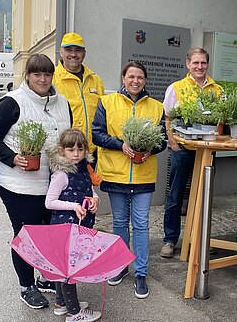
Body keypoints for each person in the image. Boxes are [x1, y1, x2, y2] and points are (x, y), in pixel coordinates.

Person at [0, 53, 72, 309]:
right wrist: (13, 158)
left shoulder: (62, 103)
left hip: (52, 182)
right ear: (28, 76)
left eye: (47, 74)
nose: (43, 79)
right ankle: (26, 285)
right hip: (18, 184)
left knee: (49, 233)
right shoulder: (12, 102)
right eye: (37, 74)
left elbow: (66, 140)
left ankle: (45, 277)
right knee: (26, 235)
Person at [92, 61, 167, 298]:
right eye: (131, 76)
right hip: (116, 173)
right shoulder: (107, 102)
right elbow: (96, 134)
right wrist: (120, 144)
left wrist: (149, 150)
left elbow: (163, 140)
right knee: (120, 223)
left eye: (140, 77)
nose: (136, 81)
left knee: (142, 224)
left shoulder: (156, 107)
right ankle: (121, 266)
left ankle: (141, 273)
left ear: (145, 81)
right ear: (123, 78)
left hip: (143, 175)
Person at [160, 47, 222, 259]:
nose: (199, 67)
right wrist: (173, 143)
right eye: (195, 63)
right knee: (175, 196)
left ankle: (200, 239)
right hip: (183, 150)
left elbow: (221, 121)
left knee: (204, 197)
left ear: (207, 64)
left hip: (207, 151)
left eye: (203, 63)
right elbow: (167, 118)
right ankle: (170, 240)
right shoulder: (176, 88)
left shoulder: (217, 90)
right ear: (188, 64)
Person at [45, 128, 102, 322]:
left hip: (80, 225)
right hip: (63, 228)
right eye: (71, 150)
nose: (76, 154)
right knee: (68, 268)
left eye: (80, 149)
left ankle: (62, 302)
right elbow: (49, 202)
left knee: (68, 266)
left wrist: (95, 200)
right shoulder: (61, 174)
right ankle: (74, 311)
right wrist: (74, 206)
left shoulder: (84, 169)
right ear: (62, 151)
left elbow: (90, 191)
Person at [53, 32, 105, 155]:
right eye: (68, 50)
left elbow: (103, 116)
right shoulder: (53, 79)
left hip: (90, 152)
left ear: (84, 53)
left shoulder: (95, 80)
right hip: (64, 152)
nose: (73, 54)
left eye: (78, 50)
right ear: (61, 52)